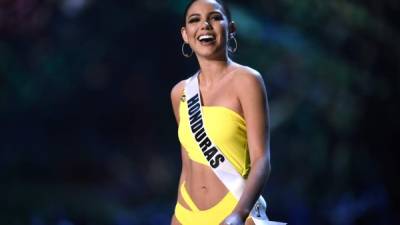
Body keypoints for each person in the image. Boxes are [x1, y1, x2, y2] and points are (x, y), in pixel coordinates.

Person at [170, 0, 271, 224]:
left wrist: (238, 214)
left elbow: (262, 159)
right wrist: (177, 218)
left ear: (231, 28)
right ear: (185, 35)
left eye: (215, 17)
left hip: (234, 211)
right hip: (187, 214)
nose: (205, 24)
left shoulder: (247, 80)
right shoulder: (180, 93)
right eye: (195, 20)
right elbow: (187, 164)